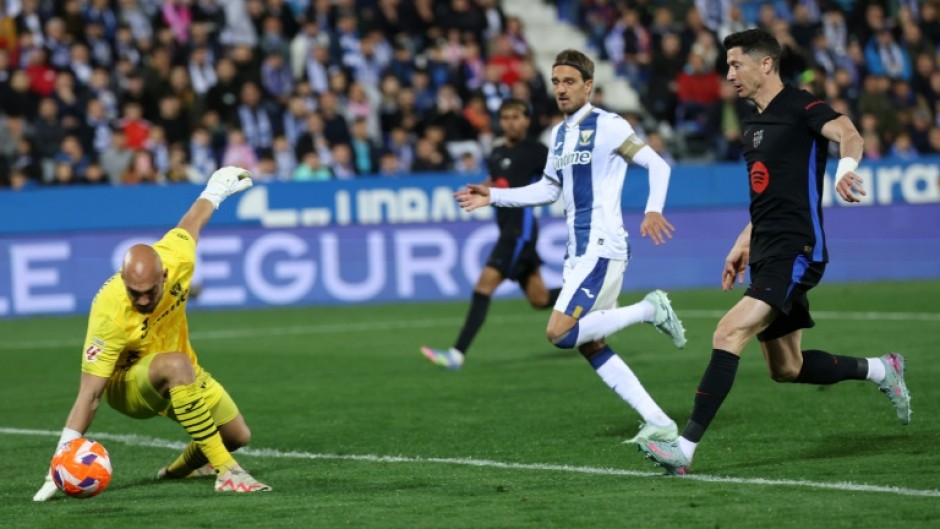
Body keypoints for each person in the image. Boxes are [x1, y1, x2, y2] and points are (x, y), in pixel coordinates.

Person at [637, 29, 912, 476]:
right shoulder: (751, 126)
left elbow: (848, 132)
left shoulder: (801, 107)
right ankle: (883, 369)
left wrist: (845, 168)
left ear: (765, 64)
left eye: (735, 64)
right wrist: (743, 241)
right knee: (786, 367)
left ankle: (683, 449)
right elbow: (767, 197)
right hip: (767, 248)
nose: (729, 75)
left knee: (727, 334)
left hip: (797, 248)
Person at [455, 49, 686, 443]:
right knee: (589, 343)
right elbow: (548, 189)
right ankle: (659, 421)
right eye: (556, 82)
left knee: (560, 332)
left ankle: (650, 308)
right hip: (577, 250)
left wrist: (652, 209)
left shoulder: (609, 125)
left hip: (603, 243)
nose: (561, 89)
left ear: (588, 86)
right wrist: (493, 195)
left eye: (569, 82)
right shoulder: (559, 135)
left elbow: (658, 165)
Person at [34, 167, 272, 500]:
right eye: (135, 293)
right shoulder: (109, 310)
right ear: (122, 278)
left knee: (236, 435)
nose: (143, 300)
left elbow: (192, 222)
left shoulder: (178, 258)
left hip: (182, 369)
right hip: (128, 384)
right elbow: (89, 394)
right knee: (175, 365)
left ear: (164, 275)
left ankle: (176, 471)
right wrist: (58, 460)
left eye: (150, 292)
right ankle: (229, 472)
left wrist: (216, 189)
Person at [421, 98, 561, 370]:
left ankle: (456, 354)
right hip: (507, 231)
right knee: (540, 299)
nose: (510, 122)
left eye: (516, 117)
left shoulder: (538, 152)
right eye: (506, 117)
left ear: (526, 120)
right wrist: (479, 188)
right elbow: (497, 183)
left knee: (483, 287)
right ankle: (596, 296)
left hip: (519, 233)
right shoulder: (497, 153)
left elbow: (556, 182)